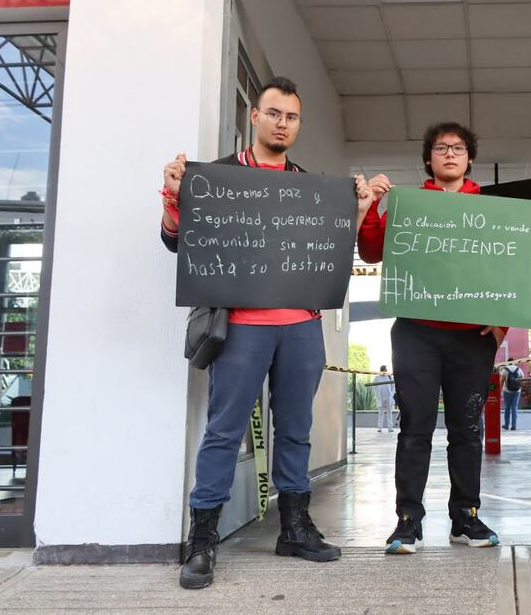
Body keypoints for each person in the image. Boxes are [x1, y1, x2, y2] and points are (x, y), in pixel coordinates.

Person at [160, 76, 374, 589]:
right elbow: (175, 242)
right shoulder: (216, 176)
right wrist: (173, 197)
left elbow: (331, 252)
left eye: (291, 117)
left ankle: (294, 528)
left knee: (296, 429)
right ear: (254, 116)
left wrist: (358, 212)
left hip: (301, 327)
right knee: (224, 429)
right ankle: (203, 539)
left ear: (299, 124)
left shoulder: (310, 187)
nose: (282, 123)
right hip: (240, 325)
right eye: (274, 113)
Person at [358, 122, 506, 555]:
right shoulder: (409, 204)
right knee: (415, 428)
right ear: (429, 158)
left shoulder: (493, 208)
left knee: (467, 430)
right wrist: (374, 205)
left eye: (458, 148)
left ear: (470, 158)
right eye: (441, 148)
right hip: (416, 333)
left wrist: (503, 326)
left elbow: (513, 268)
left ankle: (466, 517)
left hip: (472, 338)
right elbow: (371, 252)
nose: (450, 154)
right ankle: (408, 520)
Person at [499, 362, 522, 430]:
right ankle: (514, 425)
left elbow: (501, 381)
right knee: (514, 408)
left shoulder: (505, 370)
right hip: (517, 391)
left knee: (507, 408)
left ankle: (506, 425)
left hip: (507, 391)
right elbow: (522, 380)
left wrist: (499, 392)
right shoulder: (519, 369)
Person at [374, 365, 396, 433]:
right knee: (381, 413)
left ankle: (390, 428)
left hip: (389, 397)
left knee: (389, 413)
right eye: (383, 370)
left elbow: (393, 386)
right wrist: (377, 394)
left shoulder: (389, 376)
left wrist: (392, 393)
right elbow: (374, 386)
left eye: (385, 370)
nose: (384, 371)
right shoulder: (377, 377)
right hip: (381, 397)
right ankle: (380, 428)